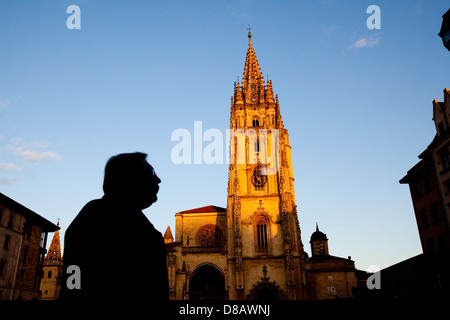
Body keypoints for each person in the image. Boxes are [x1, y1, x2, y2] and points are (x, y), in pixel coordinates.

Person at [60, 152, 168, 304]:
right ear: (129, 179)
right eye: (150, 173)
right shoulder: (94, 219)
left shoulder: (91, 216)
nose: (158, 179)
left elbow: (73, 281)